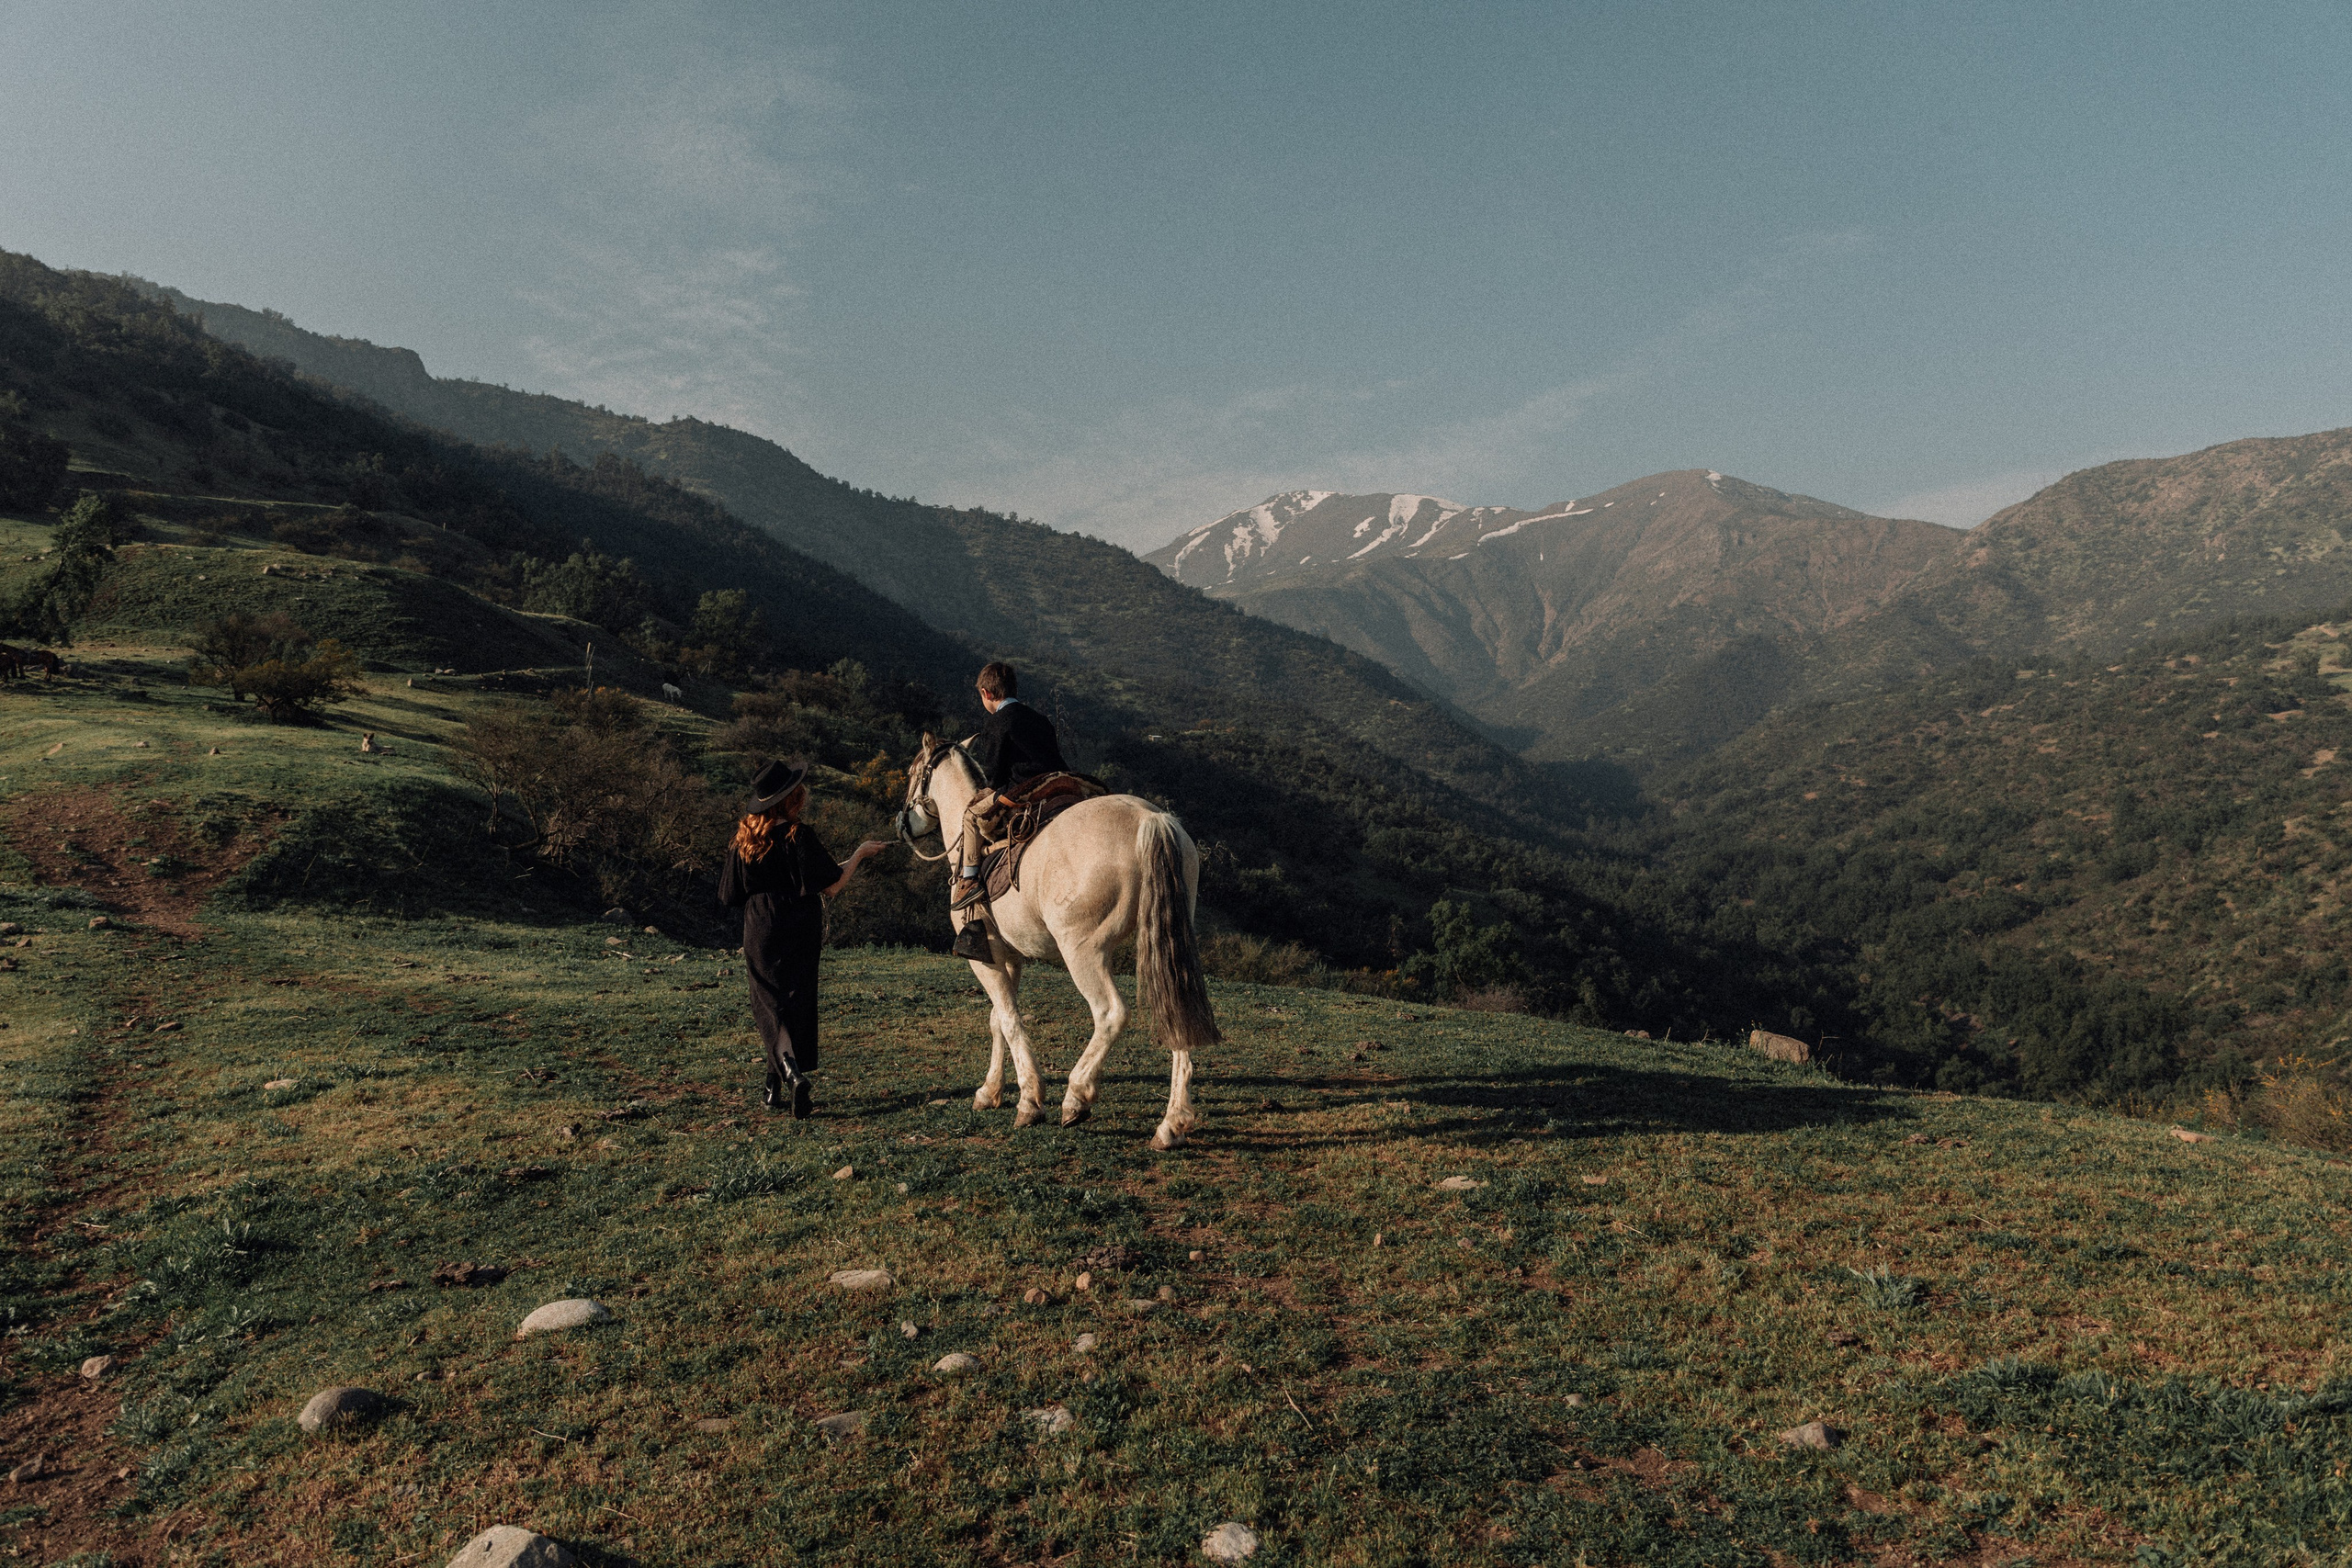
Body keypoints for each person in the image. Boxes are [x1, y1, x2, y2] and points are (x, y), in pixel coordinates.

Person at [718, 760, 889, 1118]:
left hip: (761, 924)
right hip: (801, 922)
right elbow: (833, 886)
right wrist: (859, 854)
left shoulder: (744, 841)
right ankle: (782, 1080)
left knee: (769, 1004)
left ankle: (785, 1079)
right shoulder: (800, 836)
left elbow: (728, 895)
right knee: (795, 999)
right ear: (788, 800)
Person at [950, 661, 1069, 957]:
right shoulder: (1040, 718)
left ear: (987, 693)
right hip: (1058, 785)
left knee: (970, 815)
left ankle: (968, 879)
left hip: (1021, 790)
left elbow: (993, 775)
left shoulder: (998, 722)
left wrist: (986, 792)